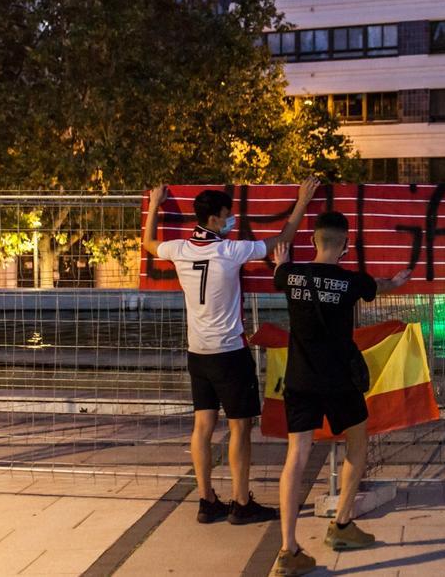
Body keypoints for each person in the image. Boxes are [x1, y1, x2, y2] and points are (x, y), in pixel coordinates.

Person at [142, 179, 318, 525]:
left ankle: (206, 500)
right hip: (229, 352)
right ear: (212, 220)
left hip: (197, 352)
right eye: (226, 216)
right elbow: (280, 242)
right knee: (240, 427)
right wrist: (301, 202)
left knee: (203, 425)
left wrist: (154, 204)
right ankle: (241, 502)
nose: (230, 220)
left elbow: (148, 243)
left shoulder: (180, 249)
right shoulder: (229, 251)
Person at [271, 211, 412, 576]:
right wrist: (395, 282)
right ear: (345, 246)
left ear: (314, 241)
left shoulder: (290, 276)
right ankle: (342, 523)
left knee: (295, 457)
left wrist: (282, 262)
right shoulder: (351, 282)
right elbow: (377, 286)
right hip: (338, 380)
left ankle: (288, 550)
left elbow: (278, 273)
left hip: (299, 379)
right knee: (358, 441)